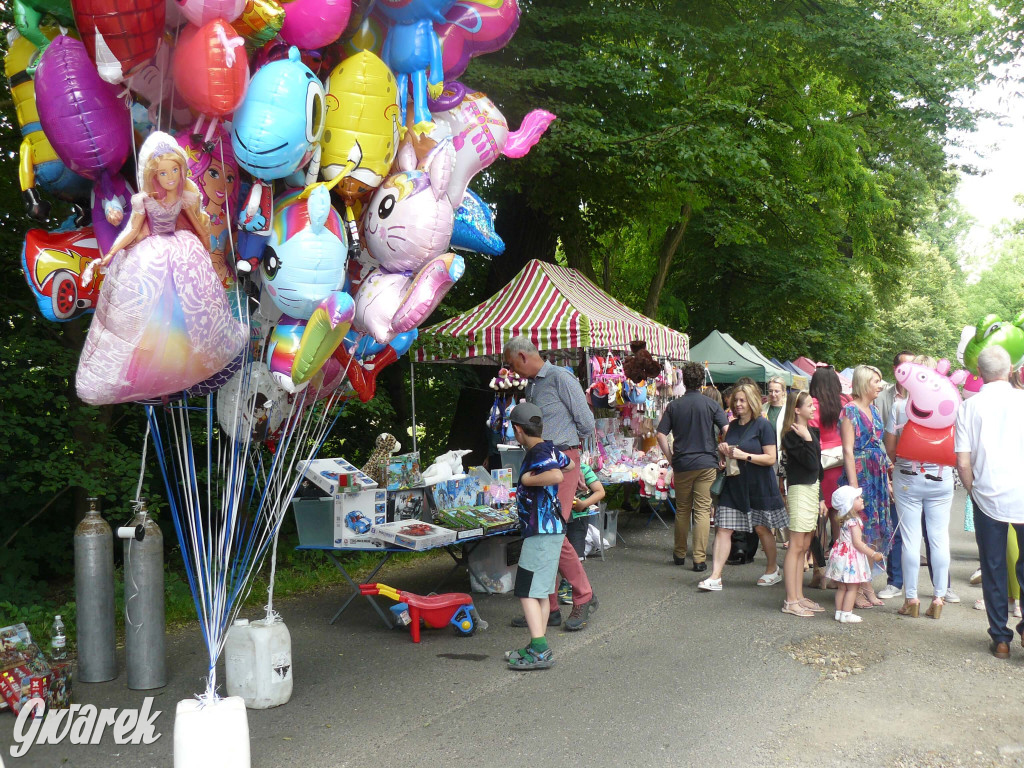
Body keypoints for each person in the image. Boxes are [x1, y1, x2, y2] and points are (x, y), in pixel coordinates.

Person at [77, 131, 245, 405]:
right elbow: (132, 230)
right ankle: (151, 376)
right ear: (153, 175)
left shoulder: (185, 199)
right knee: (149, 313)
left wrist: (207, 252)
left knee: (190, 310)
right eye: (163, 173)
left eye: (175, 171)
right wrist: (111, 255)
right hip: (150, 256)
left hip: (184, 252)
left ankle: (190, 363)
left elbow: (199, 227)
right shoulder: (143, 201)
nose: (170, 179)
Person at [503, 336, 598, 631]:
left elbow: (586, 423)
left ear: (522, 356)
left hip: (559, 461)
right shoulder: (532, 385)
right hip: (547, 461)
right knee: (546, 531)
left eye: (510, 364)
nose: (510, 370)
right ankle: (551, 606)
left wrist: (572, 459)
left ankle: (583, 596)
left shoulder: (560, 378)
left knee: (554, 533)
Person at [954, 346, 1024, 659]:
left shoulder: (969, 407)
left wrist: (971, 490)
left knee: (993, 567)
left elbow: (963, 461)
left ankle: (1001, 638)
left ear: (979, 373)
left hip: (987, 495)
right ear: (1010, 370)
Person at [883, 355, 954, 619]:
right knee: (939, 538)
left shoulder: (901, 407)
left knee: (911, 539)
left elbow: (890, 446)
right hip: (942, 477)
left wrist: (899, 463)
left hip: (907, 477)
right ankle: (939, 597)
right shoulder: (951, 405)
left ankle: (911, 598)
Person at [698, 382, 787, 591]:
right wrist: (724, 455)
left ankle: (773, 569)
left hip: (759, 485)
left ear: (752, 401)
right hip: (735, 483)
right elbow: (732, 455)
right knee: (723, 528)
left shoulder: (763, 425)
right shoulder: (733, 426)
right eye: (736, 400)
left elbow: (770, 458)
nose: (737, 404)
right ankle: (715, 576)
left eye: (742, 400)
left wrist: (743, 455)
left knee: (762, 528)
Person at [504, 402, 571, 670]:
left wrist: (527, 480)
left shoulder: (537, 452)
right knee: (541, 591)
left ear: (518, 430)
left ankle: (541, 651)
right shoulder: (550, 448)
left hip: (540, 531)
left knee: (526, 591)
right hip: (552, 530)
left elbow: (556, 474)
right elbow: (567, 464)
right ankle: (536, 643)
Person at [657, 361, 729, 571]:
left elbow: (661, 434)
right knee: (702, 511)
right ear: (702, 382)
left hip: (682, 464)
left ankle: (679, 553)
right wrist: (722, 451)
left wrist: (670, 457)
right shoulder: (712, 405)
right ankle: (699, 559)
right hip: (707, 463)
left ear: (683, 381)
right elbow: (727, 428)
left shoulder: (674, 406)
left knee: (682, 510)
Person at [838, 364, 891, 608]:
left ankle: (867, 584)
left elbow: (879, 445)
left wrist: (887, 479)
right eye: (875, 381)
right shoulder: (849, 410)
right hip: (860, 475)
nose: (880, 385)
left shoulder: (875, 409)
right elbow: (847, 450)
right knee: (860, 530)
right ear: (863, 384)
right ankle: (856, 587)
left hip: (877, 474)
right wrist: (853, 486)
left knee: (874, 531)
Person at [780, 391, 827, 617]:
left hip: (811, 489)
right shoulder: (791, 435)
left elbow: (818, 469)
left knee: (805, 544)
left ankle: (798, 596)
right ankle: (790, 601)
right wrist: (808, 440)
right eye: (809, 405)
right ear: (797, 409)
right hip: (799, 490)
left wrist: (820, 498)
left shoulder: (811, 432)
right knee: (796, 545)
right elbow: (810, 464)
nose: (813, 408)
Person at [875, 350, 914, 600]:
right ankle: (895, 580)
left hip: (922, 470)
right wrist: (887, 464)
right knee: (897, 529)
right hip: (892, 469)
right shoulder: (883, 398)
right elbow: (877, 433)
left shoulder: (926, 395)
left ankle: (941, 587)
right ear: (895, 370)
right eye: (905, 367)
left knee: (930, 533)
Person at [825, 487, 885, 623]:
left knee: (841, 587)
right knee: (852, 587)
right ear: (849, 504)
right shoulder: (854, 521)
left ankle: (839, 612)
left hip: (841, 555)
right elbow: (857, 543)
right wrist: (873, 553)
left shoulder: (844, 519)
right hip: (850, 557)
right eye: (857, 498)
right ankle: (847, 614)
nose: (861, 499)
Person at [807, 366, 844, 588]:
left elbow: (810, 438)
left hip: (819, 466)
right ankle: (837, 573)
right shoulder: (844, 404)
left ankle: (819, 571)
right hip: (840, 466)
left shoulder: (812, 405)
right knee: (838, 520)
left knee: (818, 519)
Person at [557, 463, 606, 603]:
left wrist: (584, 504)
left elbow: (600, 491)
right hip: (558, 517)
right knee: (561, 553)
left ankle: (575, 587)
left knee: (576, 554)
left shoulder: (582, 468)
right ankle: (566, 582)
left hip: (577, 518)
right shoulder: (553, 467)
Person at [762, 377, 788, 496]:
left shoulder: (788, 409)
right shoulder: (763, 408)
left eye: (776, 391)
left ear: (783, 391)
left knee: (782, 492)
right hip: (766, 455)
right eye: (770, 391)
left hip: (783, 456)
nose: (773, 394)